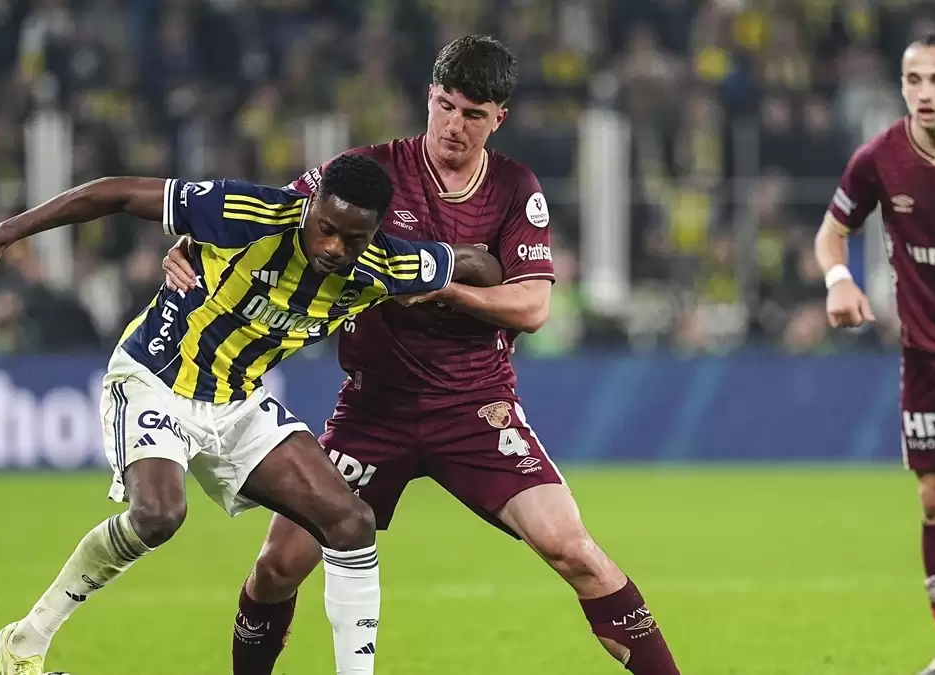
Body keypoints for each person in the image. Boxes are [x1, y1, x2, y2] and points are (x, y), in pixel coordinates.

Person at [164, 35, 681, 675]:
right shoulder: (370, 171)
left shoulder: (515, 188)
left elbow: (532, 306)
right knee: (278, 565)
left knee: (572, 548)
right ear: (429, 97)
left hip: (475, 407)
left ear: (498, 119)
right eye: (445, 106)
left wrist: (443, 288)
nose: (454, 126)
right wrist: (193, 242)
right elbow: (274, 217)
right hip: (373, 410)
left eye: (472, 114)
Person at [0, 153, 504, 675]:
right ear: (313, 205)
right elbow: (114, 193)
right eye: (326, 228)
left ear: (375, 233)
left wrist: (465, 292)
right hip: (157, 378)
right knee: (159, 515)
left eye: (353, 239)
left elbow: (479, 264)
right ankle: (25, 641)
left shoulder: (388, 265)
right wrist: (2, 235)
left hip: (237, 400)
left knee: (351, 523)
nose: (334, 248)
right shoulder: (251, 213)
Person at [814, 32, 935, 675]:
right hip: (926, 360)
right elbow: (832, 232)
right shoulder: (880, 159)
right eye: (914, 79)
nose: (924, 92)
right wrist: (839, 279)